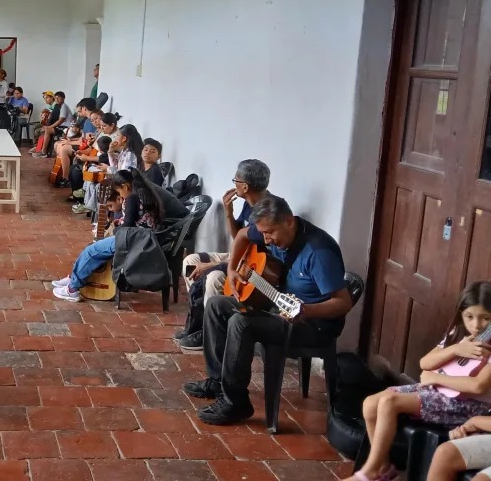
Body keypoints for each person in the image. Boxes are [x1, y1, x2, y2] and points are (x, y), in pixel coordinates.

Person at [183, 196, 352, 426]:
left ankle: (236, 403)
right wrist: (232, 269)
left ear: (289, 221)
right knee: (216, 305)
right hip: (278, 306)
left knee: (241, 322)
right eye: (262, 233)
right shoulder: (271, 229)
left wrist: (306, 311)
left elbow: (343, 303)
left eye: (270, 233)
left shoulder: (319, 252)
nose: (266, 240)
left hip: (312, 325)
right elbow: (243, 235)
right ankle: (217, 381)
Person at [352, 281, 491, 481]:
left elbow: (478, 386)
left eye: (485, 318)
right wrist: (455, 349)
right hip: (437, 391)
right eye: (469, 316)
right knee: (370, 403)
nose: (476, 325)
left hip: (465, 404)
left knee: (389, 402)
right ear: (461, 313)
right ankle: (384, 468)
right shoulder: (458, 334)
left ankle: (370, 471)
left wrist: (436, 377)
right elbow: (425, 362)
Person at [175, 159, 273, 348]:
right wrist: (229, 212)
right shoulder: (250, 202)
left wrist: (212, 265)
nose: (234, 184)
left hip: (251, 267)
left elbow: (254, 259)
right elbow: (239, 237)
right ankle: (198, 321)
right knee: (190, 262)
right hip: (241, 255)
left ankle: (209, 333)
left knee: (213, 278)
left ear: (245, 186)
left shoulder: (268, 211)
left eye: (236, 180)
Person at [52, 170, 164, 302]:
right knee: (94, 248)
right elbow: (136, 220)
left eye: (119, 191)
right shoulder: (143, 194)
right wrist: (120, 223)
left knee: (91, 251)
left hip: (132, 241)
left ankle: (72, 289)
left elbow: (127, 226)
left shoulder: (131, 198)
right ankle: (73, 278)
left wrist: (115, 230)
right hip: (143, 240)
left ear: (125, 187)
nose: (120, 195)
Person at [35, 91, 74, 158]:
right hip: (60, 126)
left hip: (65, 128)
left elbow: (60, 121)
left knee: (46, 130)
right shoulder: (58, 106)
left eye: (58, 98)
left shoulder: (63, 107)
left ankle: (43, 151)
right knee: (42, 129)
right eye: (55, 98)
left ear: (63, 98)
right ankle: (38, 148)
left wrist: (49, 127)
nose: (56, 100)